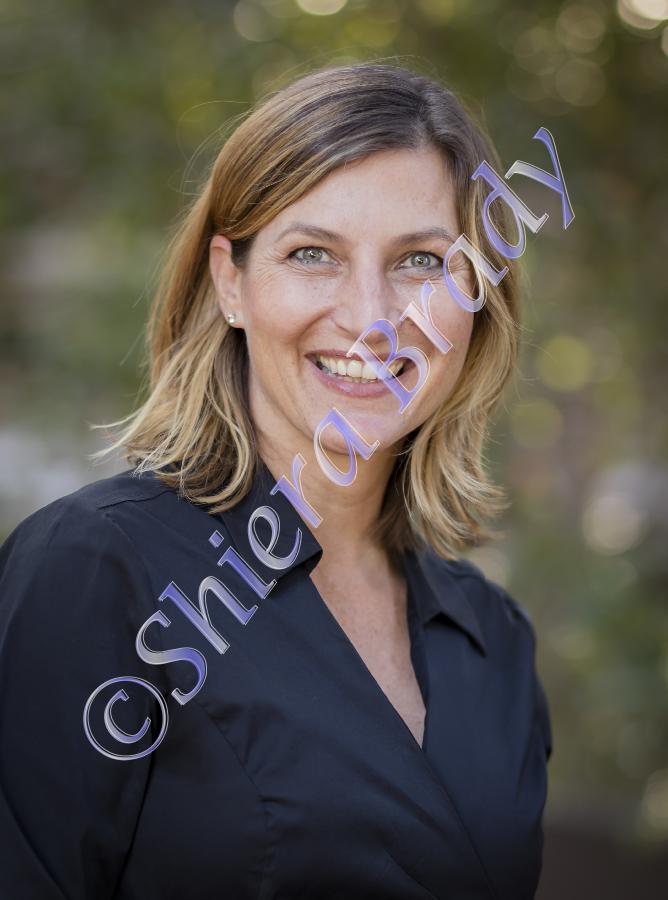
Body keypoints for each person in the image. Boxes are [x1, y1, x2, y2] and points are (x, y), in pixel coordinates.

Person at [0, 62, 553, 899]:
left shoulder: (494, 636)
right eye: (312, 254)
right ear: (231, 281)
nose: (370, 319)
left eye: (420, 261)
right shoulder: (95, 570)